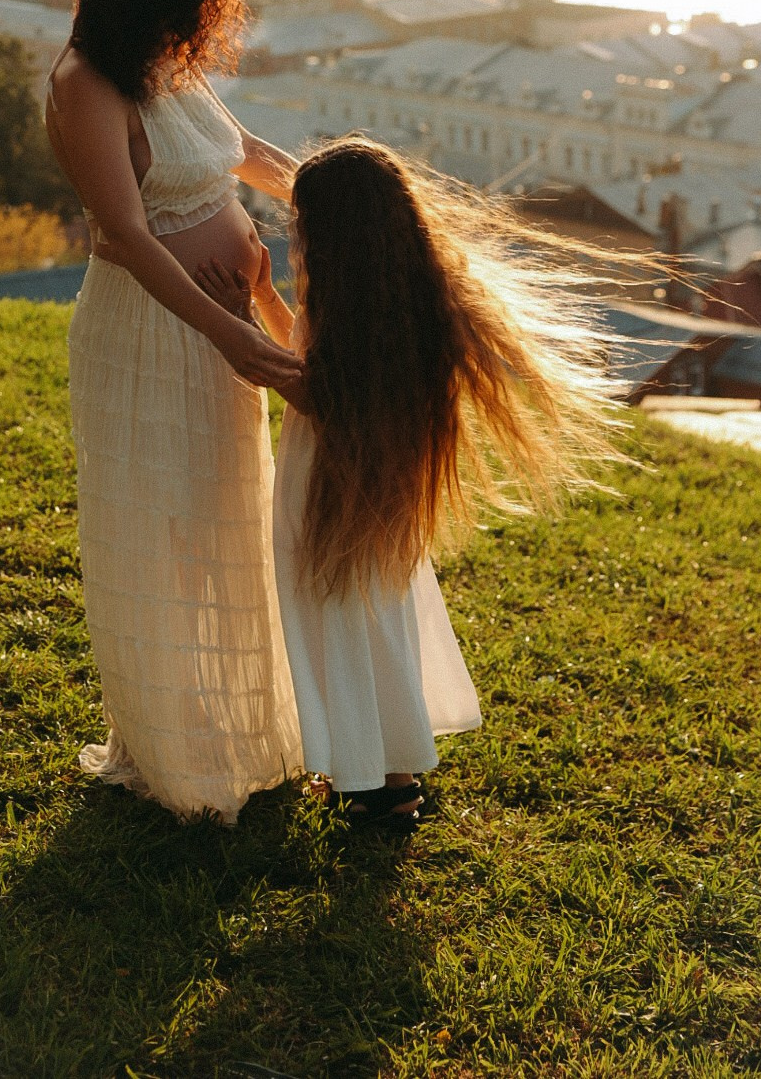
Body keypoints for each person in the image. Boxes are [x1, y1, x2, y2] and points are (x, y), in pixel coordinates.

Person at [196, 137, 621, 829]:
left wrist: (235, 318)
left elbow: (304, 389)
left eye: (301, 225)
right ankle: (393, 777)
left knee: (339, 626)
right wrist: (267, 296)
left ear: (332, 234)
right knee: (379, 625)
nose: (294, 235)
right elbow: (306, 354)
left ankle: (368, 782)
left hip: (328, 494)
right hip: (377, 500)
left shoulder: (355, 311)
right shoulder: (396, 298)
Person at [45, 0, 304, 825]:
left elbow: (244, 152)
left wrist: (331, 187)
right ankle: (181, 757)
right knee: (163, 532)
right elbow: (129, 235)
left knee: (227, 518)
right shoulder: (87, 83)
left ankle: (242, 731)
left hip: (220, 328)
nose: (197, 17)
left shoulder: (162, 62)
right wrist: (230, 332)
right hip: (154, 336)